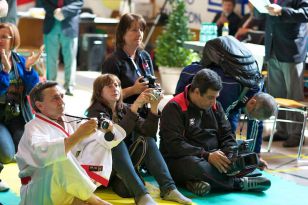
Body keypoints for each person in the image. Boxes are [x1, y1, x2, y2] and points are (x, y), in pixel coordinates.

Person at [160, 69, 271, 195]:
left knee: (244, 155)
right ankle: (238, 183)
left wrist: (229, 153)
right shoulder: (174, 107)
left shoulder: (215, 105)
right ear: (196, 92)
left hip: (214, 154)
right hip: (186, 158)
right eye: (210, 97)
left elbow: (227, 134)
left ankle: (196, 182)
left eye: (216, 97)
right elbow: (174, 146)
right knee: (195, 167)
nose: (214, 102)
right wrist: (206, 155)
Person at [86, 74, 192, 205]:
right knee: (115, 143)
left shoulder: (123, 108)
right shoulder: (94, 113)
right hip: (100, 167)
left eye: (117, 85)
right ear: (98, 92)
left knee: (147, 140)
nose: (115, 88)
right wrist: (136, 105)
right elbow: (113, 138)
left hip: (120, 167)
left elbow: (149, 132)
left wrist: (154, 106)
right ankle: (141, 196)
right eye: (109, 86)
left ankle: (169, 188)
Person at [15, 81, 113, 205]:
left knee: (100, 142)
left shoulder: (68, 119)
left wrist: (105, 128)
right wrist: (78, 135)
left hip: (65, 188)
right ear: (40, 106)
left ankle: (82, 195)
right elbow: (43, 155)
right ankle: (94, 200)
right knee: (58, 158)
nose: (62, 102)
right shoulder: (32, 128)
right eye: (55, 98)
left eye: (62, 96)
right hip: (40, 191)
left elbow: (98, 139)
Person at [175, 63, 276, 169]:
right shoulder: (228, 93)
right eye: (251, 116)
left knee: (227, 138)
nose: (251, 119)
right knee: (195, 129)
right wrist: (208, 155)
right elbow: (213, 126)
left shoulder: (260, 91)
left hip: (230, 91)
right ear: (252, 103)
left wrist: (254, 156)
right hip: (191, 75)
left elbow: (254, 125)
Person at [256, 1, 308, 147]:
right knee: (276, 94)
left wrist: (281, 11)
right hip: (272, 48)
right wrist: (257, 6)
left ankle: (297, 134)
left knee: (293, 96)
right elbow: (260, 16)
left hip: (291, 49)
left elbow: (306, 13)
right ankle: (282, 130)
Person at [0, 23, 43, 165]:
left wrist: (29, 68)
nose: (0, 40)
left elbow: (33, 90)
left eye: (4, 37)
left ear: (13, 40)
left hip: (17, 116)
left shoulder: (20, 60)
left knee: (28, 152)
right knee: (7, 156)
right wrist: (5, 72)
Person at [102, 13, 156, 106]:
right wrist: (133, 90)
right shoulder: (113, 62)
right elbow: (106, 97)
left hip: (145, 110)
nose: (139, 33)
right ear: (122, 34)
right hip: (124, 114)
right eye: (134, 30)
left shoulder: (145, 56)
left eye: (141, 29)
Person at [42, 0, 83, 96]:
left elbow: (79, 3)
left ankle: (70, 85)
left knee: (70, 58)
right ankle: (50, 85)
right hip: (51, 24)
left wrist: (64, 11)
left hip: (69, 24)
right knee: (50, 58)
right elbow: (43, 2)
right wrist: (55, 11)